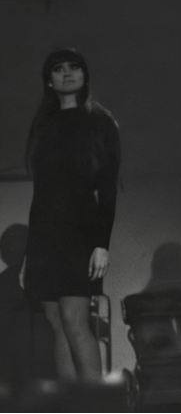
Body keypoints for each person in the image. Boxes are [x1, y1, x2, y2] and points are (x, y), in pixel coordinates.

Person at [20, 48, 119, 382]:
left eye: (74, 67)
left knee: (74, 320)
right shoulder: (44, 124)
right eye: (58, 68)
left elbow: (108, 188)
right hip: (45, 235)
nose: (66, 73)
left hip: (80, 233)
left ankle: (97, 402)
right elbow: (41, 192)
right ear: (49, 79)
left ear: (84, 74)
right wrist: (29, 252)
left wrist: (102, 244)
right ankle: (71, 402)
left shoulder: (100, 121)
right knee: (56, 323)